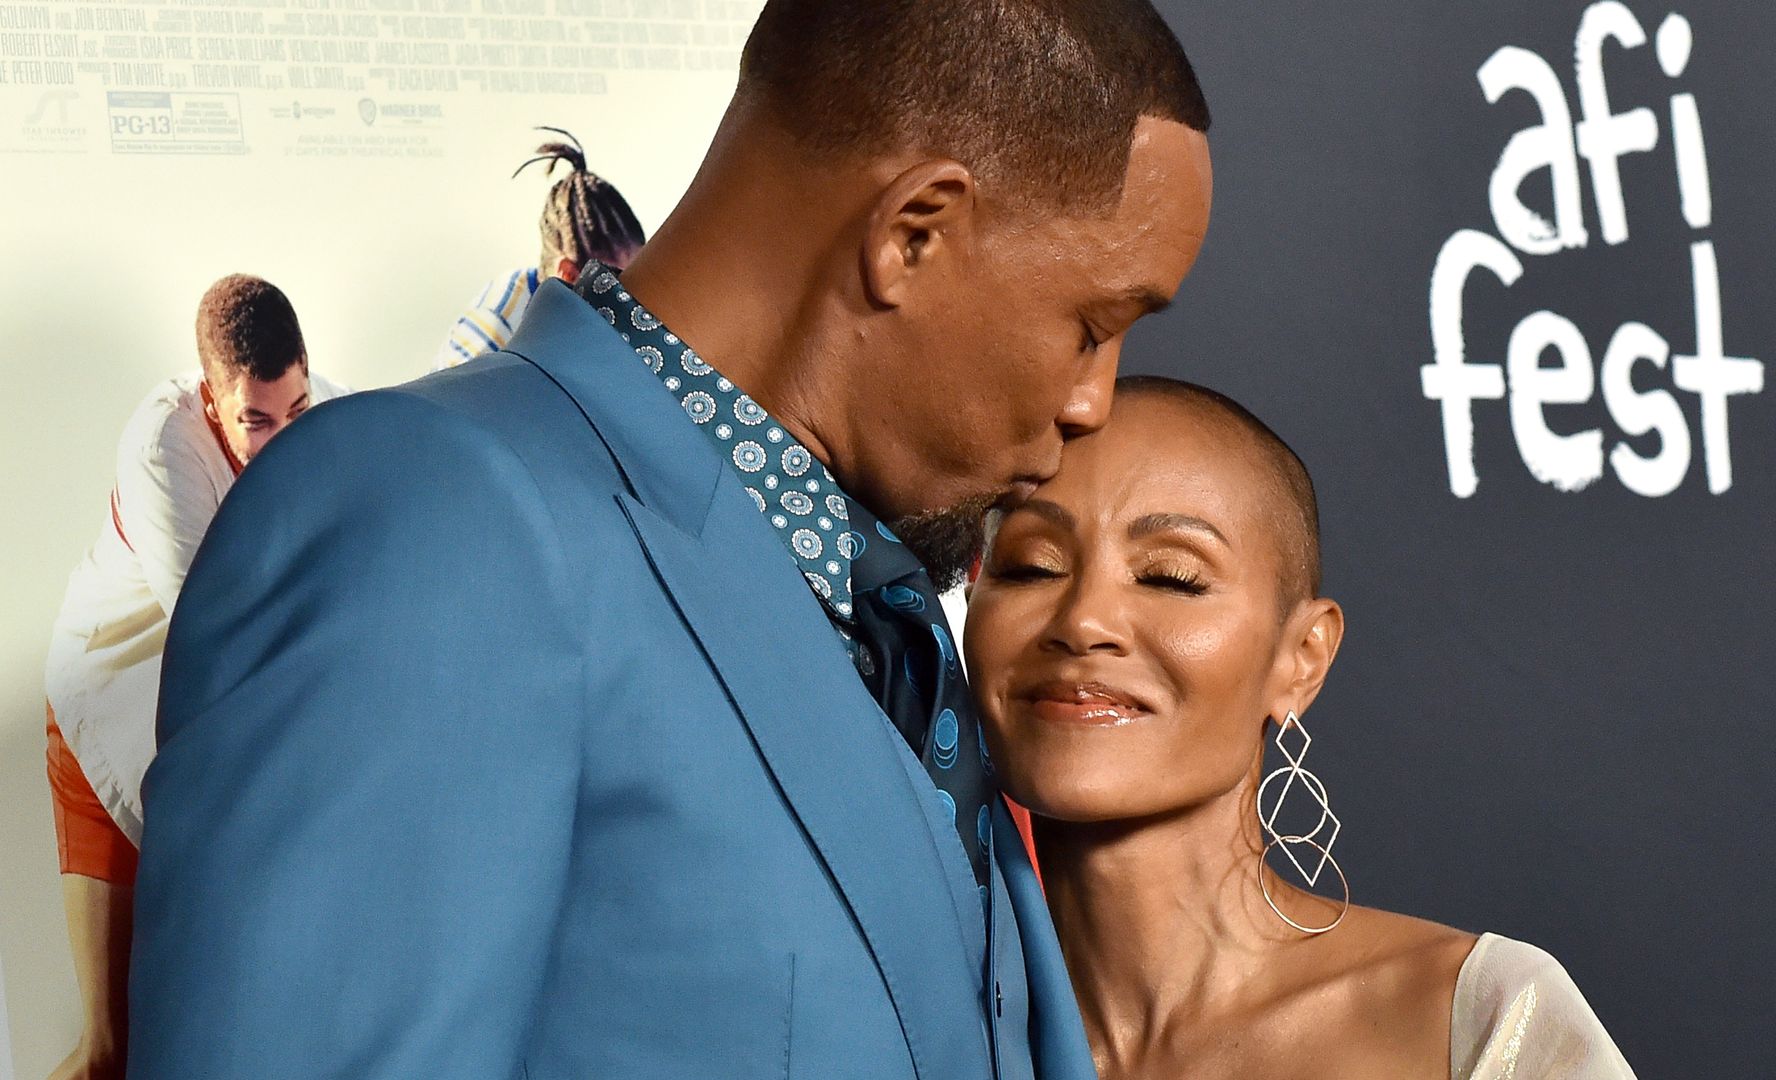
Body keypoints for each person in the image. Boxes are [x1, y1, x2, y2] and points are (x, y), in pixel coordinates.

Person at [127, 2, 1213, 1077]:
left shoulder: (881, 604)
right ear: (914, 232)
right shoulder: (432, 515)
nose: (1092, 404)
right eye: (1095, 327)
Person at [963, 376, 1637, 1080]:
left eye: (1169, 577)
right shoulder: (904, 1022)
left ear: (1302, 658)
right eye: (1030, 567)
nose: (1083, 621)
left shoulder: (1469, 1016)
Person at [42, 273, 346, 1080]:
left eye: (298, 411)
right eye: (255, 420)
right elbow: (228, 646)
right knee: (112, 1054)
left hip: (215, 735)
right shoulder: (161, 447)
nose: (283, 438)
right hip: (104, 714)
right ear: (211, 400)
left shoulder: (329, 417)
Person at [432, 127, 647, 369]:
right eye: (617, 285)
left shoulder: (572, 321)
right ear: (569, 274)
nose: (631, 303)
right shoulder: (494, 330)